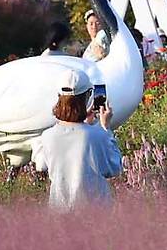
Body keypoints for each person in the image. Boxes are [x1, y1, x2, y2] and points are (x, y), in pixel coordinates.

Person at [32, 69, 122, 210]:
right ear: (87, 97)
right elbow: (113, 167)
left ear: (59, 97)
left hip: (60, 213)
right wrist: (105, 128)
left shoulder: (47, 136)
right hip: (95, 214)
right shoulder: (97, 135)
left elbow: (41, 165)